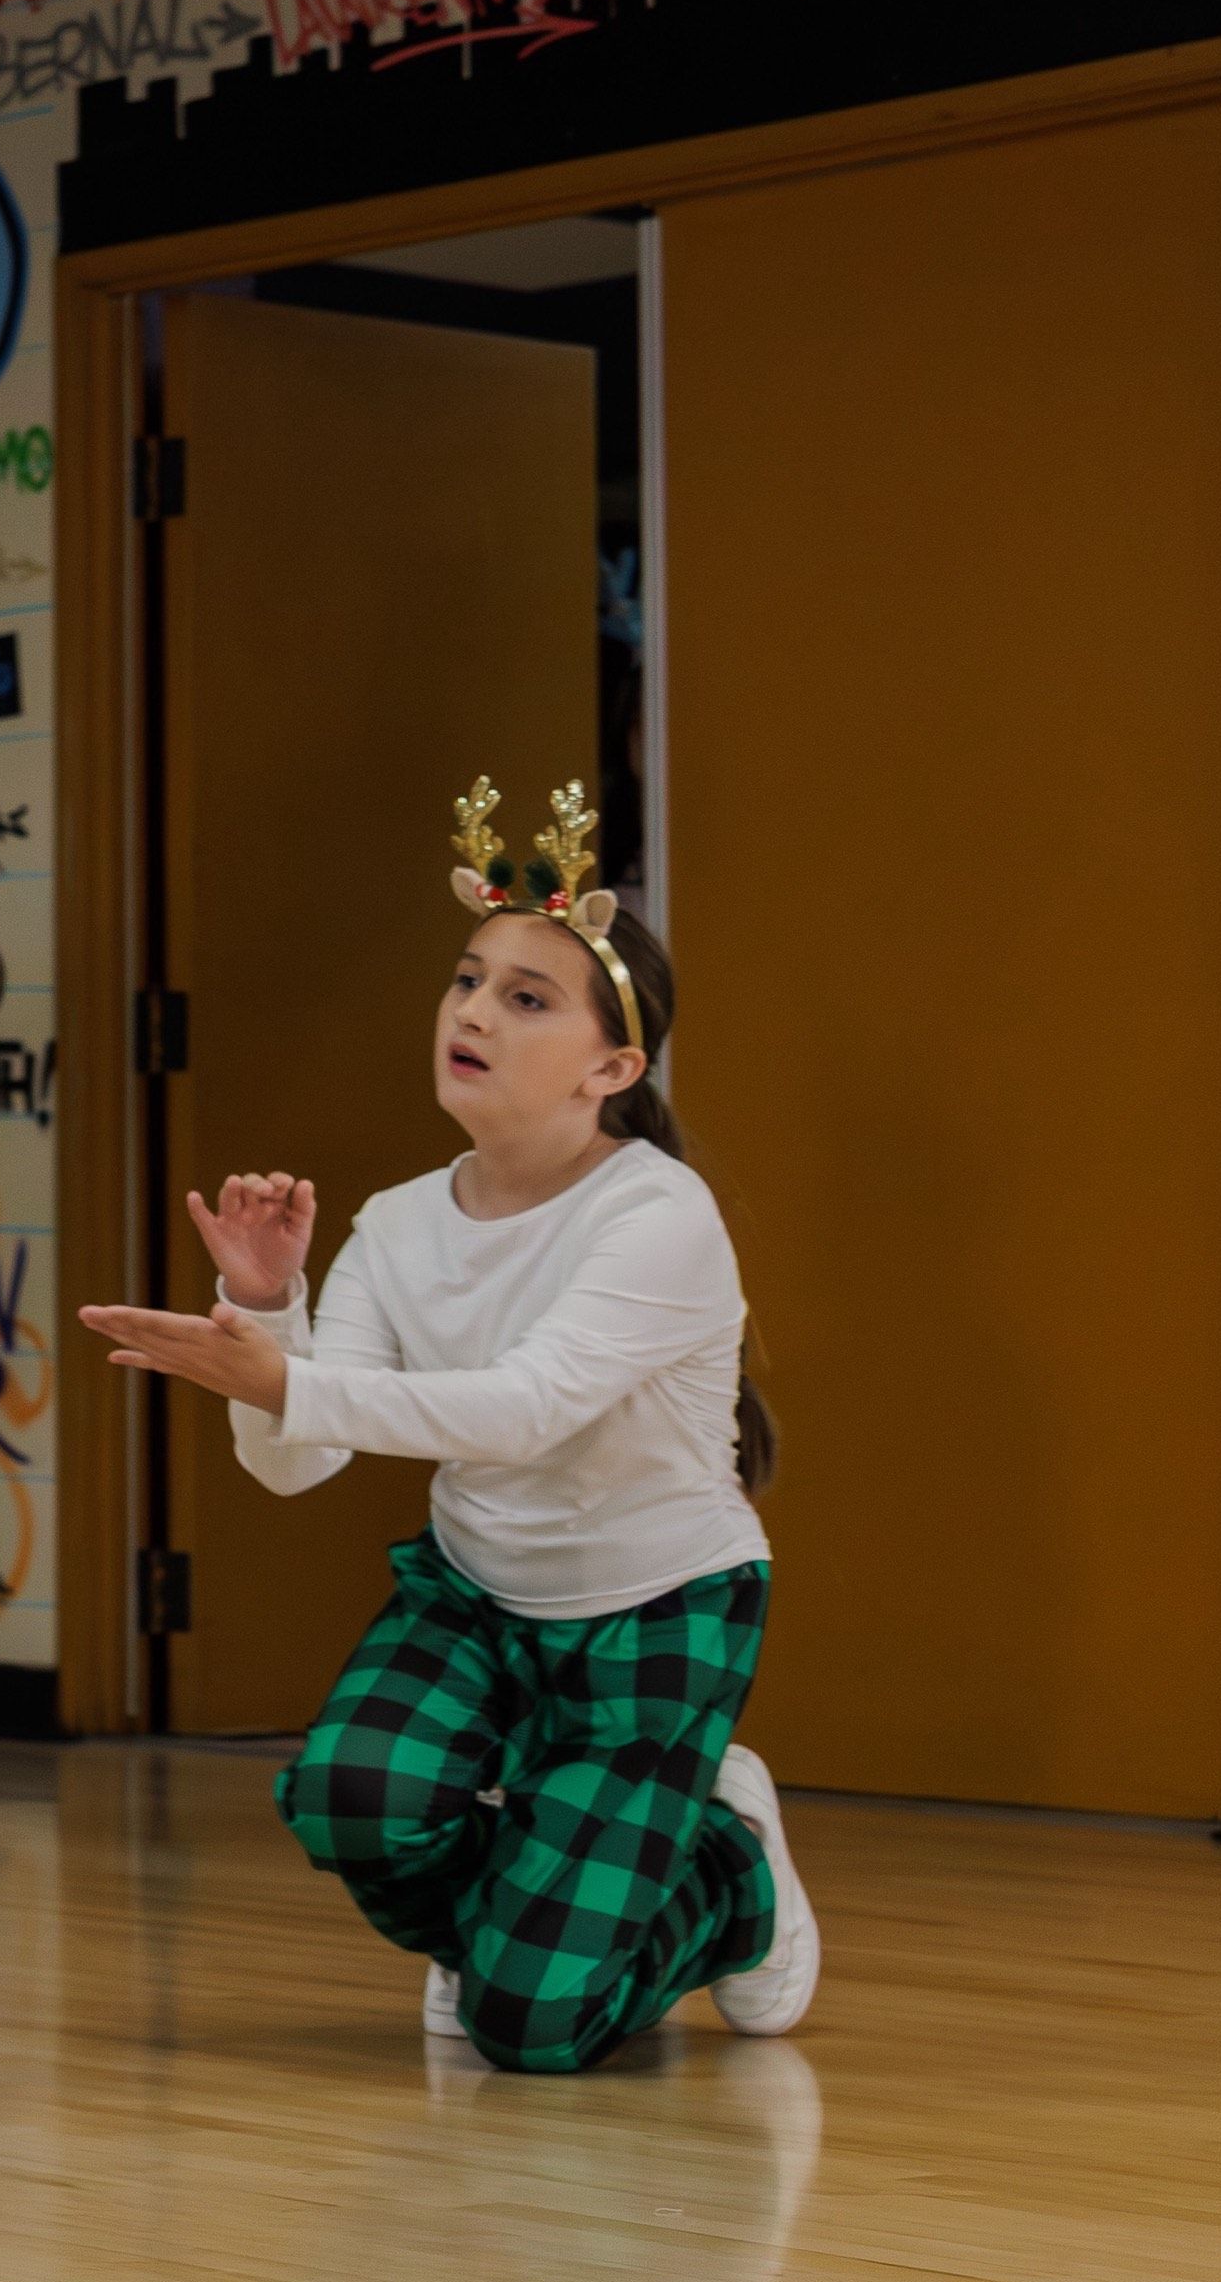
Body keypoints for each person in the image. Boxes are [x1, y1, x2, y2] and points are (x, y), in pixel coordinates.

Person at [80, 781, 815, 2073]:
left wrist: (280, 1378)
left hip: (653, 1613)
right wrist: (268, 1306)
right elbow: (298, 1461)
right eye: (464, 980)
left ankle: (732, 1869)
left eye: (523, 999)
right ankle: (506, 1922)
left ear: (610, 1069)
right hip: (477, 1597)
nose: (470, 1012)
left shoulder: (656, 1216)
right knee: (346, 1797)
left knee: (524, 2029)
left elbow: (522, 1411)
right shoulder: (395, 1221)